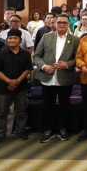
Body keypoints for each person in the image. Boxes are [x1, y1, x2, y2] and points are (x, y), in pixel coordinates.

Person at [33, 14, 80, 143]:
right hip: (47, 77)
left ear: (68, 25)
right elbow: (36, 56)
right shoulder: (46, 37)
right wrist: (43, 66)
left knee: (65, 105)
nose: (62, 25)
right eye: (59, 22)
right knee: (48, 105)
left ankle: (63, 129)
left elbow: (79, 59)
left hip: (65, 78)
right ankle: (48, 130)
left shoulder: (75, 40)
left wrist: (67, 64)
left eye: (65, 23)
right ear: (55, 24)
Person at [0, 30, 32, 145]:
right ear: (7, 40)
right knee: (1, 112)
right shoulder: (0, 54)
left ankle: (20, 130)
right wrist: (10, 81)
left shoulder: (25, 53)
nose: (12, 40)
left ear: (20, 40)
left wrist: (17, 81)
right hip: (3, 87)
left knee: (21, 111)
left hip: (21, 87)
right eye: (10, 38)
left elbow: (28, 69)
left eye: (15, 38)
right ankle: (0, 133)